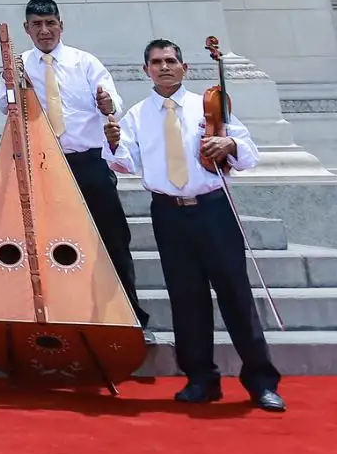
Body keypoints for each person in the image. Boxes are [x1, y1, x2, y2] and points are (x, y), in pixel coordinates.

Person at [106, 40, 284, 411]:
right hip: (168, 213)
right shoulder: (137, 115)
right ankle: (201, 379)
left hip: (213, 209)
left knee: (235, 294)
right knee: (186, 298)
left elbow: (248, 154)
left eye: (171, 61)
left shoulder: (210, 105)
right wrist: (113, 144)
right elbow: (125, 164)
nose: (164, 67)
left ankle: (261, 382)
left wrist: (229, 143)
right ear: (146, 70)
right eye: (157, 62)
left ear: (184, 67)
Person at [12, 0, 146, 326]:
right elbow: (5, 103)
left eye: (51, 24)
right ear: (27, 28)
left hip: (89, 163)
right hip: (44, 166)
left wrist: (107, 103)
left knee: (112, 238)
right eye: (37, 25)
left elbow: (111, 99)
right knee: (54, 241)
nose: (45, 31)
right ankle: (65, 313)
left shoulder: (84, 61)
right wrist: (14, 84)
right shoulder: (18, 64)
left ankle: (128, 313)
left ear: (61, 25)